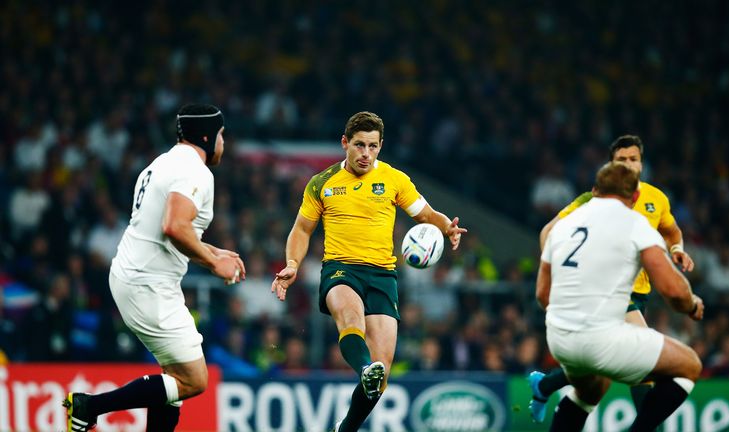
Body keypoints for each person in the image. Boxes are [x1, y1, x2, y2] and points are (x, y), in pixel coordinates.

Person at [270, 111, 466, 432]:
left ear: (380, 146)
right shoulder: (323, 183)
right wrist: (292, 263)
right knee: (351, 319)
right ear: (345, 143)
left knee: (382, 375)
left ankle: (345, 428)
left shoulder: (394, 180)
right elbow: (302, 230)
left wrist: (447, 226)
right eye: (359, 145)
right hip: (340, 270)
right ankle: (364, 368)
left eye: (373, 146)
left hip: (382, 276)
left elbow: (425, 213)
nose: (366, 153)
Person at [63, 103, 245, 432]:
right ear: (206, 136)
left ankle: (91, 407)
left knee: (173, 381)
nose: (223, 143)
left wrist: (214, 250)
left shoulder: (162, 163)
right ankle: (90, 407)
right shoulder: (195, 171)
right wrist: (212, 262)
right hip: (147, 285)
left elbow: (168, 229)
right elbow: (174, 227)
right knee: (193, 379)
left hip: (137, 276)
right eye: (220, 135)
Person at [529, 135, 695, 423]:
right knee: (643, 367)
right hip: (611, 293)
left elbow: (671, 231)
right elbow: (549, 232)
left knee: (596, 380)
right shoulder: (593, 199)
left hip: (639, 294)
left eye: (633, 159)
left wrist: (677, 249)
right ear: (611, 165)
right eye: (622, 160)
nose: (628, 165)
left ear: (642, 164)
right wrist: (555, 260)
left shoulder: (656, 199)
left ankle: (545, 384)